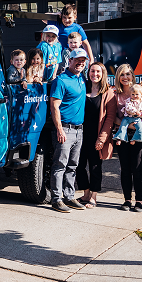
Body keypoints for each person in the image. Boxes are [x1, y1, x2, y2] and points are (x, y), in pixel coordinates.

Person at [49, 48, 88, 212]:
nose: (80, 63)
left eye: (83, 60)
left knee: (73, 166)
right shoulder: (61, 80)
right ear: (69, 60)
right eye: (77, 60)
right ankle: (56, 199)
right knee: (60, 165)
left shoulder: (81, 79)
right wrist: (59, 129)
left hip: (79, 130)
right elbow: (54, 106)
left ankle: (69, 197)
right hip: (65, 129)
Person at [76, 62, 117, 209]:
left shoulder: (108, 93)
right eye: (92, 71)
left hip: (97, 135)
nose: (95, 74)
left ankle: (93, 196)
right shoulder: (82, 88)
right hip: (80, 134)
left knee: (94, 166)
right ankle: (85, 193)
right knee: (79, 165)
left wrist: (102, 139)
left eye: (98, 72)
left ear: (103, 73)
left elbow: (110, 118)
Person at [113, 63, 142, 212]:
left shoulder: (140, 90)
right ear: (118, 77)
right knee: (125, 168)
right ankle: (127, 200)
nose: (125, 77)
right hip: (123, 134)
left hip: (141, 133)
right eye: (122, 74)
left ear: (132, 76)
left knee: (137, 167)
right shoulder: (115, 93)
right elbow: (113, 117)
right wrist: (127, 125)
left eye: (128, 74)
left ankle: (139, 201)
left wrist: (139, 117)